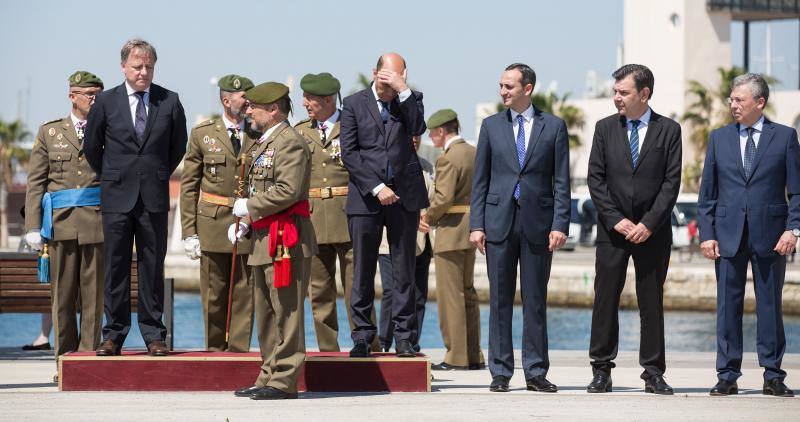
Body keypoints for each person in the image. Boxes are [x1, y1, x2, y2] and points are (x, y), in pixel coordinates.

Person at [469, 63, 569, 393]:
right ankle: (500, 371)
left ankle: (536, 371)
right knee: (499, 301)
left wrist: (560, 224)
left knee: (535, 300)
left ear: (527, 89)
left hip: (539, 226)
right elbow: (480, 181)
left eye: (509, 86)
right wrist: (476, 224)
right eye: (500, 86)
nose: (503, 92)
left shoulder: (553, 127)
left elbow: (562, 182)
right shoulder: (491, 126)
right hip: (498, 224)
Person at [84, 39, 187, 357]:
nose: (143, 72)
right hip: (116, 195)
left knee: (151, 266)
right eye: (137, 67)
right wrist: (114, 175)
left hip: (154, 196)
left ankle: (154, 334)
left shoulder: (169, 101)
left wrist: (155, 173)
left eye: (149, 67)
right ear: (123, 67)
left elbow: (178, 146)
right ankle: (113, 334)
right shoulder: (106, 102)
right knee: (115, 266)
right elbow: (92, 147)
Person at [698, 73, 798, 397]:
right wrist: (706, 234)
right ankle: (727, 375)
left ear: (760, 102)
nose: (732, 105)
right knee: (728, 307)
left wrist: (793, 230)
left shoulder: (784, 137)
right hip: (726, 236)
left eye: (739, 100)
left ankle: (773, 375)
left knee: (770, 306)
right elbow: (707, 194)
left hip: (772, 237)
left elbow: (797, 192)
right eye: (731, 99)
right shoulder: (719, 138)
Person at [586, 64, 682, 395]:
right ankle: (601, 369)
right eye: (615, 91)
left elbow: (672, 184)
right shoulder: (604, 128)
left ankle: (653, 372)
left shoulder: (669, 130)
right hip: (612, 231)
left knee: (651, 301)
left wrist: (648, 224)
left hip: (652, 233)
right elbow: (595, 180)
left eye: (623, 92)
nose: (616, 98)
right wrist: (616, 219)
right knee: (605, 298)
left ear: (644, 94)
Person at [230, 82, 316, 400]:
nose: (248, 110)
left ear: (274, 109)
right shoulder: (265, 142)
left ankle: (285, 380)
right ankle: (268, 373)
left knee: (287, 312)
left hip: (286, 238)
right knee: (266, 313)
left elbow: (288, 190)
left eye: (254, 106)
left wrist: (249, 207)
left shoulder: (289, 142)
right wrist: (247, 222)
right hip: (264, 237)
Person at [339, 52, 427, 358]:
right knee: (362, 268)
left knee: (404, 270)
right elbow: (349, 153)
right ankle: (362, 335)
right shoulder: (353, 104)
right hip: (366, 196)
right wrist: (377, 188)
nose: (387, 86)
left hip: (405, 196)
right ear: (375, 72)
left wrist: (402, 89)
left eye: (395, 79)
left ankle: (405, 337)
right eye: (384, 78)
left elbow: (417, 128)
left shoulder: (410, 99)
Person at [24, 71, 105, 372]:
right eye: (89, 94)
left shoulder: (107, 130)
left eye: (98, 94)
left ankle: (88, 361)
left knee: (94, 298)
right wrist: (33, 226)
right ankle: (64, 362)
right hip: (59, 223)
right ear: (73, 96)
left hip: (96, 222)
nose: (94, 100)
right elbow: (36, 183)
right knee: (62, 296)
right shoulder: (50, 132)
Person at [294, 72, 377, 352]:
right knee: (319, 291)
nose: (304, 103)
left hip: (350, 214)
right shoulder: (301, 131)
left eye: (310, 98)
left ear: (328, 100)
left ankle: (366, 344)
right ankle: (328, 349)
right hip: (314, 218)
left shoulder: (352, 124)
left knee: (358, 286)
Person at [180, 74, 258, 352]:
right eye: (243, 97)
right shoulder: (203, 133)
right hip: (212, 223)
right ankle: (214, 351)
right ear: (226, 100)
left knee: (243, 294)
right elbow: (188, 186)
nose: (249, 101)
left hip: (247, 222)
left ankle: (238, 353)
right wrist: (189, 232)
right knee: (213, 295)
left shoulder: (258, 132)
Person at [422, 109, 485, 371]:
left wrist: (428, 216)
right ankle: (473, 354)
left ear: (441, 131)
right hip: (470, 229)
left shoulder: (447, 158)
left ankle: (456, 356)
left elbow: (444, 197)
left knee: (451, 297)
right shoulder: (472, 152)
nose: (430, 138)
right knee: (467, 293)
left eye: (432, 133)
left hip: (450, 231)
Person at [378, 135, 432, 353]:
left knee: (417, 294)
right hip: (390, 241)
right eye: (409, 135)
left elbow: (433, 197)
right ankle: (384, 341)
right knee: (392, 292)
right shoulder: (386, 164)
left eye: (418, 136)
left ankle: (412, 341)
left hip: (421, 242)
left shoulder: (427, 166)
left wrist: (427, 218)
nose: (414, 140)